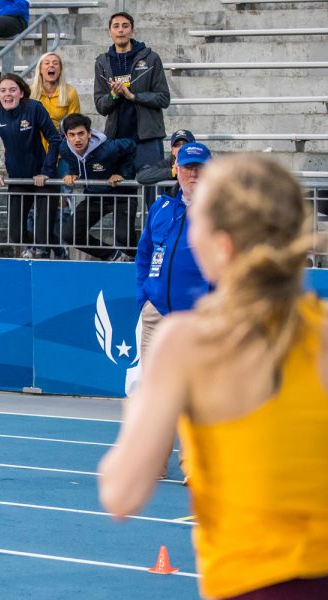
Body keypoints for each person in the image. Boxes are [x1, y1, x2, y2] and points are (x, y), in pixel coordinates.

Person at [99, 154, 328, 599]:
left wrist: (145, 408)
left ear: (223, 245)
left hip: (250, 581)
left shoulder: (187, 344)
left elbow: (121, 493)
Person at [134, 142, 212, 480]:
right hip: (156, 316)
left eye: (199, 168)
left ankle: (193, 464)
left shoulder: (221, 213)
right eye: (187, 167)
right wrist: (144, 298)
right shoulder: (161, 206)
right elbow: (144, 253)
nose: (192, 173)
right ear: (175, 169)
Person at [93, 12, 169, 207]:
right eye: (116, 26)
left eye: (125, 25)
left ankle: (156, 237)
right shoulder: (103, 62)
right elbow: (101, 105)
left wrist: (133, 96)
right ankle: (125, 238)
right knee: (121, 199)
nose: (121, 30)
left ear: (132, 30)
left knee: (153, 196)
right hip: (118, 141)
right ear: (109, 31)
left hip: (147, 139)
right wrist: (114, 95)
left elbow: (163, 98)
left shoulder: (150, 58)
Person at [0, 73, 61, 258]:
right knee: (15, 234)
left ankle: (51, 251)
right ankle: (47, 246)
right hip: (17, 177)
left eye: (12, 90)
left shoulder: (34, 108)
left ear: (21, 93)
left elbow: (54, 138)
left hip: (42, 177)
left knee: (43, 235)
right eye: (2, 91)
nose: (7, 94)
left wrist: (47, 172)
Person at [58, 112, 137, 261]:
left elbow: (131, 146)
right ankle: (112, 255)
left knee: (124, 236)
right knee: (70, 234)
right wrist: (73, 173)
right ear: (66, 136)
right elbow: (76, 163)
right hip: (95, 196)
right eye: (72, 135)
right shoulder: (64, 149)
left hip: (122, 196)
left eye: (81, 133)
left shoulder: (108, 148)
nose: (77, 139)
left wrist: (122, 174)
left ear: (89, 133)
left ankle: (139, 260)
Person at [28, 51, 81, 258]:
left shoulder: (69, 93)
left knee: (62, 202)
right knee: (35, 203)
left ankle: (62, 246)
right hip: (36, 154)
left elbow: (75, 126)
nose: (51, 66)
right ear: (40, 69)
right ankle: (36, 246)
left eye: (56, 63)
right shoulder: (30, 93)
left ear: (60, 69)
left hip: (62, 155)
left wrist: (61, 153)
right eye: (47, 63)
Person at [136, 129, 195, 197]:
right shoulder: (168, 163)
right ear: (172, 150)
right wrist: (173, 172)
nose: (181, 148)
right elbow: (142, 176)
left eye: (185, 144)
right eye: (177, 145)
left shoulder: (202, 162)